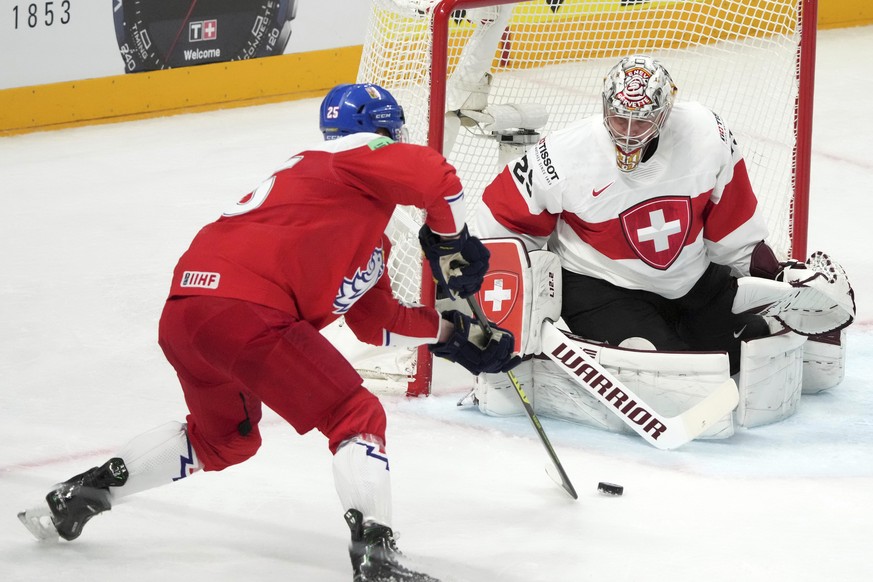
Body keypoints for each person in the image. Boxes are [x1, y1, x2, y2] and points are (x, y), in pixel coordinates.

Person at [18, 83, 519, 582]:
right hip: (248, 310)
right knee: (354, 412)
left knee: (225, 441)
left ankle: (82, 495)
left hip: (188, 312)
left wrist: (454, 335)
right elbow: (438, 178)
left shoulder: (338, 209)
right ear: (383, 133)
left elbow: (377, 322)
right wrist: (451, 240)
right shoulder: (350, 154)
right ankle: (376, 562)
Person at [476, 54, 792, 375]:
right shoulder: (564, 154)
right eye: (618, 118)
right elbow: (502, 218)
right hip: (602, 286)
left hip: (690, 280)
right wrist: (502, 299)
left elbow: (732, 222)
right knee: (669, 372)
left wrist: (772, 275)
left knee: (755, 349)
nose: (628, 132)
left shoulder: (706, 134)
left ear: (664, 113)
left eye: (640, 120)